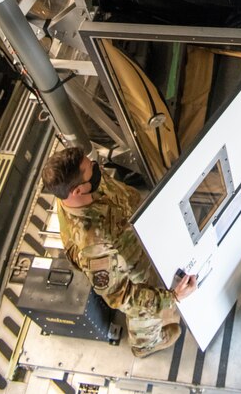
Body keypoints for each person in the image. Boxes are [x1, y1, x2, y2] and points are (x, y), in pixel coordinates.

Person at [41, 146, 197, 358]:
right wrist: (173, 297)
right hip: (130, 266)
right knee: (143, 302)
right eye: (90, 169)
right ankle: (146, 344)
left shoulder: (85, 186)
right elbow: (123, 296)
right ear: (76, 191)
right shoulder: (92, 244)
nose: (96, 168)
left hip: (134, 232)